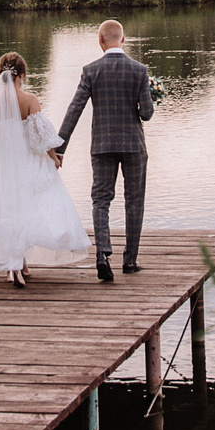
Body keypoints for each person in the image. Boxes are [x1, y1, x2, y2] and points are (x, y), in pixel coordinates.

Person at [0, 51, 91, 288]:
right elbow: (40, 138)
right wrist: (54, 157)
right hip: (24, 164)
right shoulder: (29, 100)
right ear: (22, 75)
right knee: (25, 210)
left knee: (4, 211)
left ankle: (14, 265)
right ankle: (16, 264)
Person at [53, 18, 155, 283]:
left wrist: (60, 147)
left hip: (102, 145)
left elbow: (74, 109)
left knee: (101, 200)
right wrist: (148, 95)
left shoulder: (90, 71)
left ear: (101, 40)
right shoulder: (140, 70)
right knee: (134, 202)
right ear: (123, 39)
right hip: (133, 146)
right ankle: (130, 260)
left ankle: (102, 255)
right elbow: (147, 114)